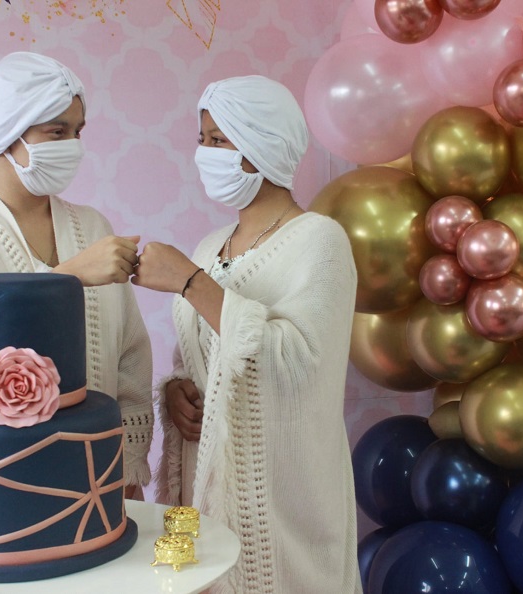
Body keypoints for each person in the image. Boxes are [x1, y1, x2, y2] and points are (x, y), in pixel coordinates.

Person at [133, 75, 363, 593]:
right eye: (202, 140)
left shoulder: (319, 241)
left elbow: (302, 364)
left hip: (284, 498)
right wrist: (176, 393)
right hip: (209, 489)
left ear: (264, 143)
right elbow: (199, 357)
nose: (205, 154)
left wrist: (191, 284)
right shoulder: (210, 245)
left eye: (220, 140)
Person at [0, 52, 154, 497]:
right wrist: (67, 280)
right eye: (56, 132)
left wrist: (128, 466)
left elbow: (130, 355)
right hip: (0, 476)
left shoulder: (93, 228)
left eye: (78, 131)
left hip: (100, 469)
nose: (73, 145)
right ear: (9, 133)